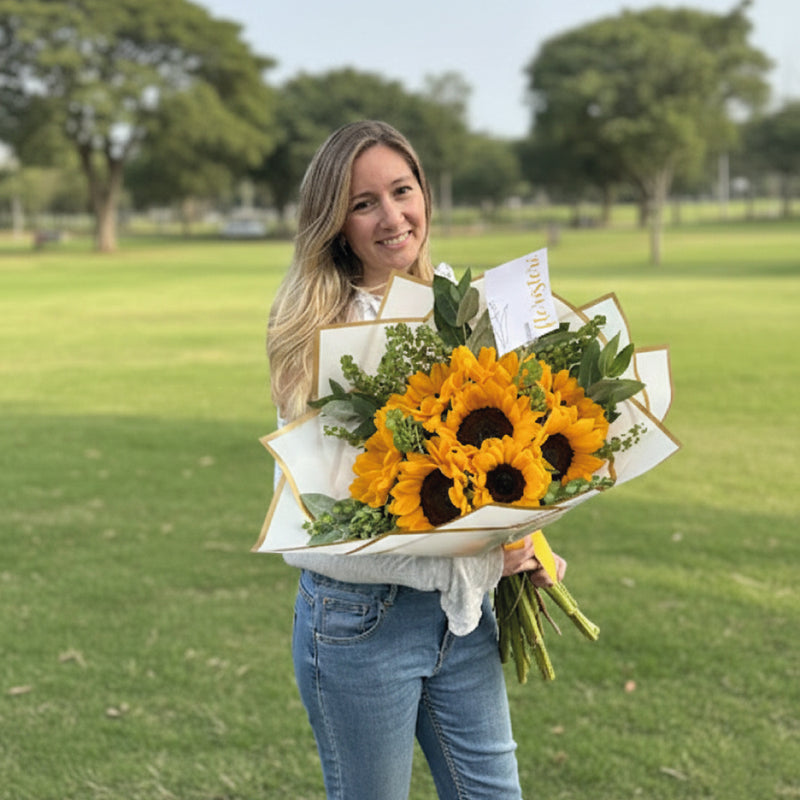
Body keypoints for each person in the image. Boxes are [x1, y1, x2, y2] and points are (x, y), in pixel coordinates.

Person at [267, 120, 566, 800]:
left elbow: (498, 449)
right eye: (363, 202)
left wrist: (525, 534)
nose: (393, 216)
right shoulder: (316, 334)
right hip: (359, 624)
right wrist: (483, 558)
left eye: (402, 191)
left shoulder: (457, 301)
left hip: (463, 618)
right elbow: (323, 532)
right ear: (334, 222)